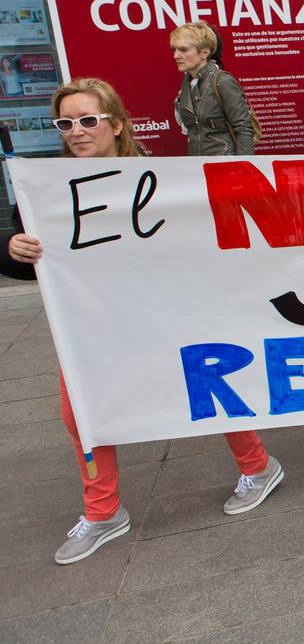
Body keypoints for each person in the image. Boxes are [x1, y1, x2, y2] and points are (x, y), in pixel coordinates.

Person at [3, 79, 283, 564]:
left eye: (88, 120)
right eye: (65, 123)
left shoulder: (155, 179)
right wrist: (12, 249)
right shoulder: (42, 188)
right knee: (81, 416)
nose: (77, 132)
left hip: (162, 316)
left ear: (115, 124)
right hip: (89, 328)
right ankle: (102, 512)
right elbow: (22, 254)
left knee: (206, 390)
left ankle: (258, 467)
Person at [170, 21, 257, 156]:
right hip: (198, 165)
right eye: (174, 49)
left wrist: (243, 168)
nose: (176, 56)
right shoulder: (188, 83)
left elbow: (244, 129)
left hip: (225, 164)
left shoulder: (223, 81)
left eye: (183, 49)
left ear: (204, 53)